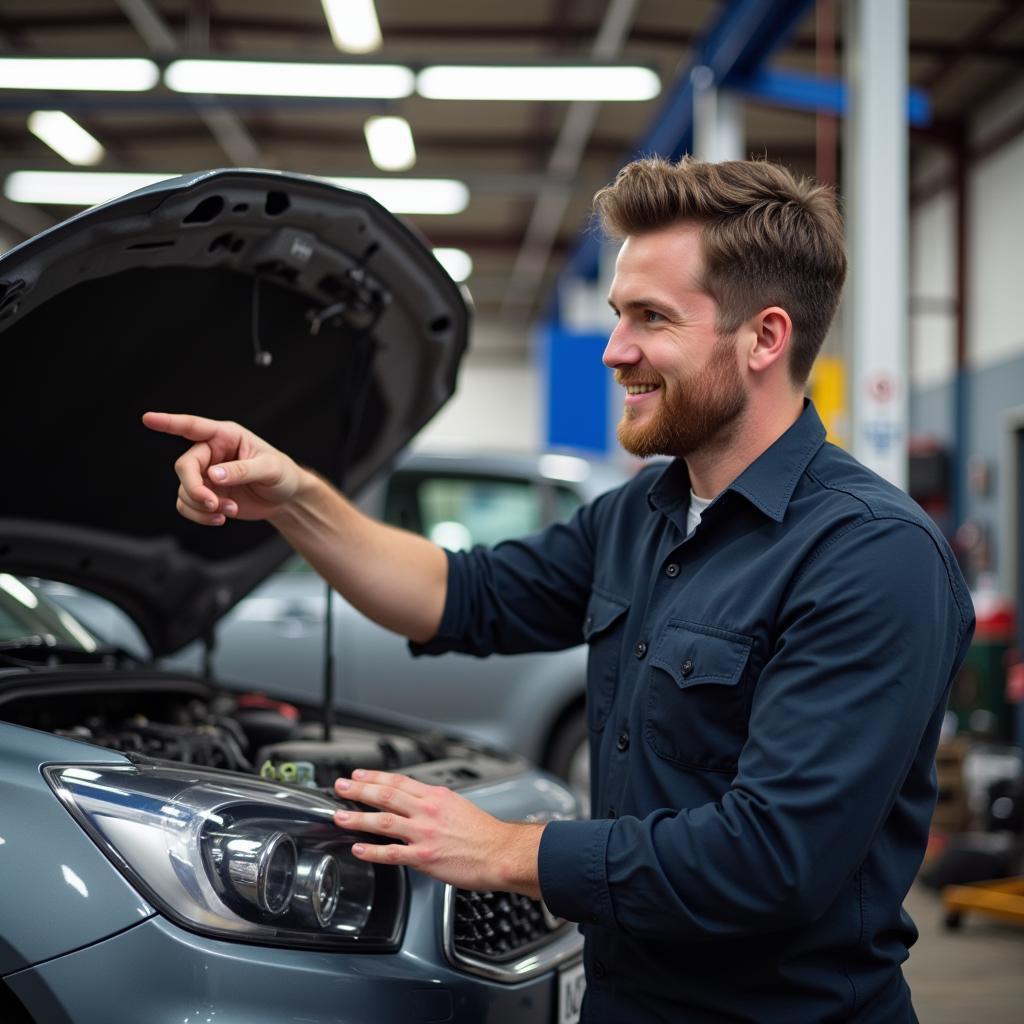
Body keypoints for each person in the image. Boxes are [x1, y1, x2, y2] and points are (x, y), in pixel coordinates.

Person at [145, 156, 974, 1023]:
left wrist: (508, 849)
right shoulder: (640, 516)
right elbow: (452, 594)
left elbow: (772, 859)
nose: (616, 352)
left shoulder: (872, 555)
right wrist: (294, 498)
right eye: (619, 316)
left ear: (764, 337)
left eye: (650, 318)